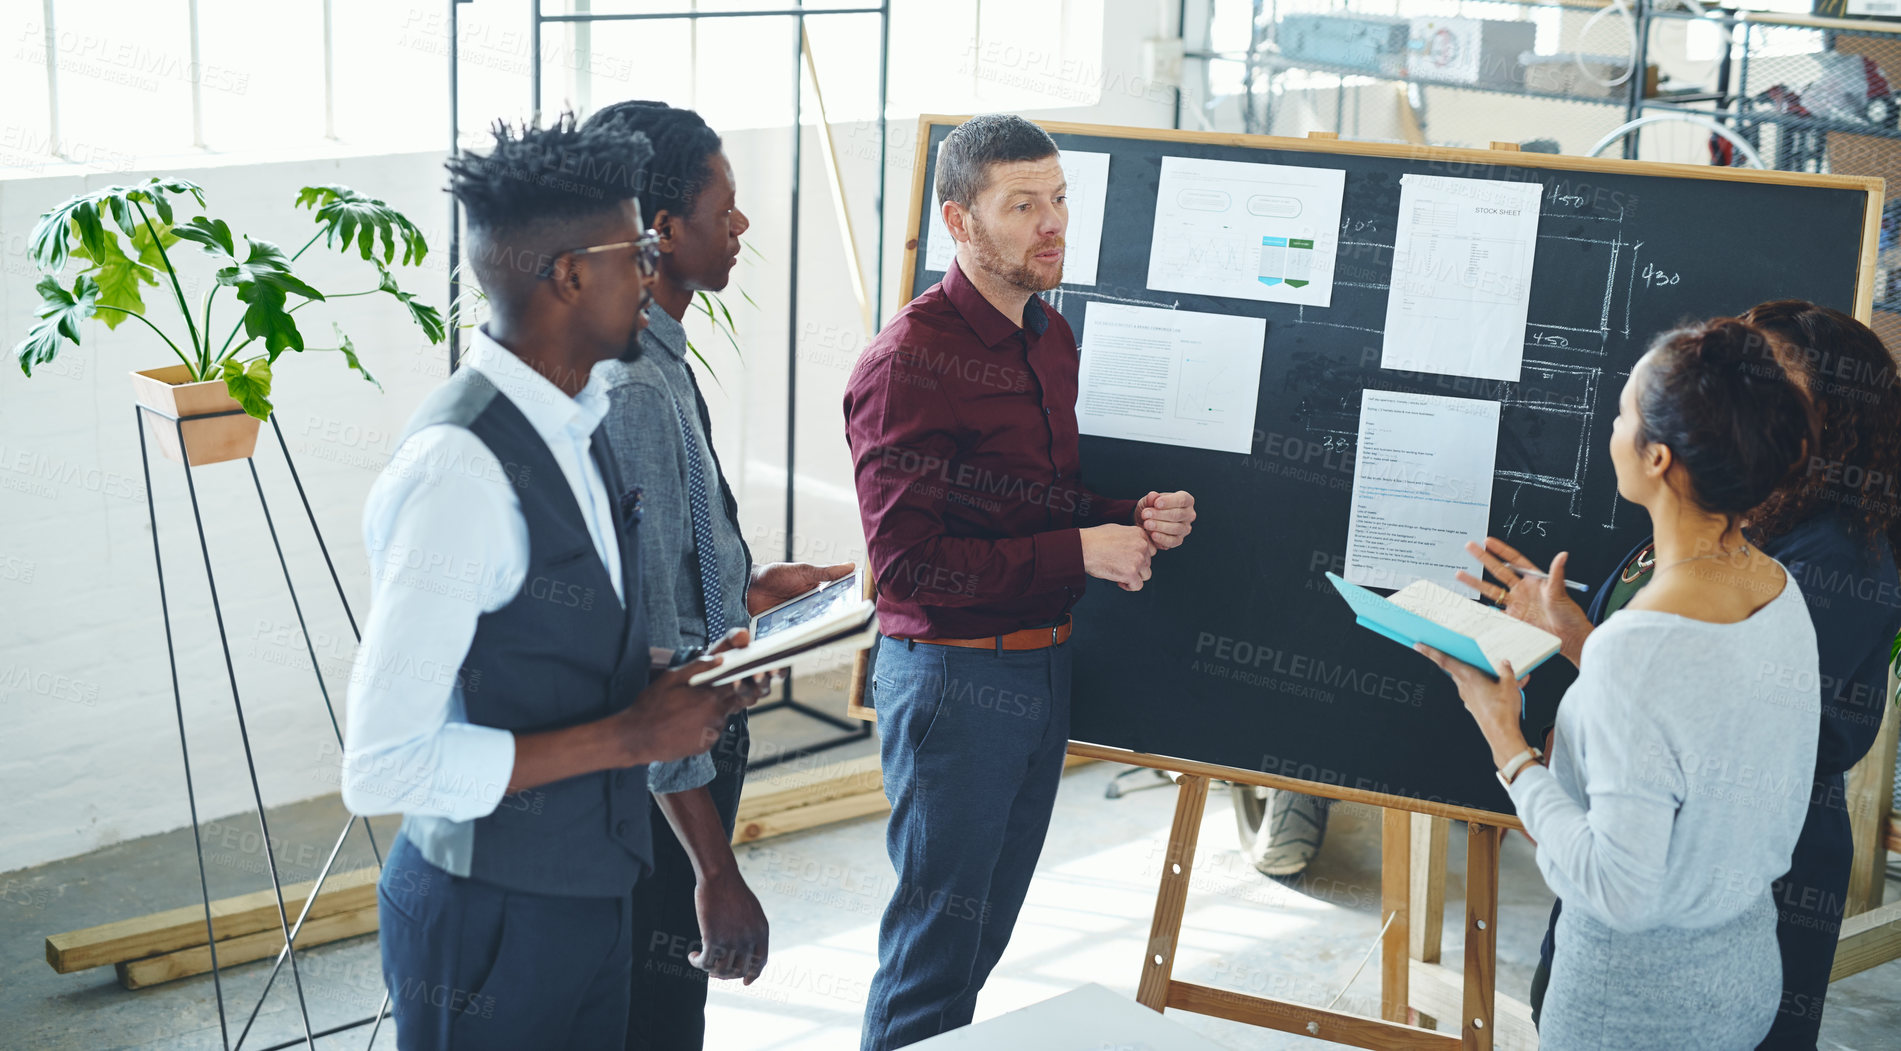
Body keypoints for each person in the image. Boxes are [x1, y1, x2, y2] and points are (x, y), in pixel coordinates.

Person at [339, 115, 765, 1050]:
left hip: (590, 892)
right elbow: (382, 763)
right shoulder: (460, 469)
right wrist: (630, 733)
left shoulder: (579, 419)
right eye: (638, 248)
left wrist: (690, 681)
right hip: (488, 920)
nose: (653, 268)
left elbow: (561, 648)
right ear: (570, 275)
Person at [843, 113, 1198, 1050]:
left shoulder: (1048, 335)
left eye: (1059, 200)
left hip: (1041, 670)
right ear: (959, 223)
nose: (1052, 224)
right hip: (953, 681)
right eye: (1021, 205)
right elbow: (907, 568)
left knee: (979, 945)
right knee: (930, 962)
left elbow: (1038, 499)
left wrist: (1128, 511)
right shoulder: (906, 364)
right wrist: (1082, 551)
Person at [1467, 302, 1901, 1048]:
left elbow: (1618, 884)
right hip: (1735, 970)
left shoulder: (1821, 564)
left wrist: (1506, 742)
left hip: (1634, 1004)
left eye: (1620, 413)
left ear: (1659, 456)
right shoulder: (1769, 576)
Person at [578, 100, 854, 1050]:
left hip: (672, 758)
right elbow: (650, 652)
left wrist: (748, 591)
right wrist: (712, 870)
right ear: (661, 231)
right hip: (664, 786)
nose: (739, 227)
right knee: (655, 1019)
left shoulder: (649, 358)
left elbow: (661, 575)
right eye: (724, 208)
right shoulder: (636, 389)